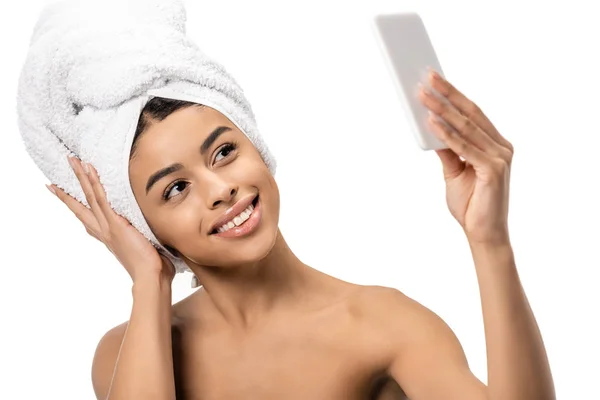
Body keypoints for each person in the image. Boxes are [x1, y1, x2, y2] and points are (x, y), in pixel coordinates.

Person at [47, 70, 555, 399]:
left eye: (224, 152)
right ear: (141, 225)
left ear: (259, 149)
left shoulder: (381, 324)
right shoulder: (128, 351)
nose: (221, 189)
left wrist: (490, 243)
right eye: (176, 188)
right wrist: (148, 282)